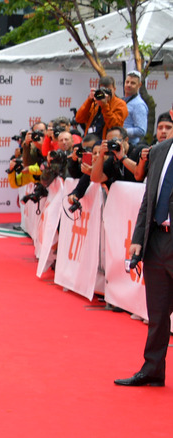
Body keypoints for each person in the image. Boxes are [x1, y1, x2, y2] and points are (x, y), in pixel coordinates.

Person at [116, 134, 173, 387]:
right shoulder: (159, 150)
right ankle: (152, 370)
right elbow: (148, 200)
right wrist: (138, 238)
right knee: (158, 314)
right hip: (157, 241)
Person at [75, 75, 128, 142]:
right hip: (90, 141)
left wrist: (105, 105)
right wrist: (89, 100)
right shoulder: (95, 102)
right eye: (103, 90)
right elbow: (79, 119)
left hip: (106, 143)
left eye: (108, 90)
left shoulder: (120, 104)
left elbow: (115, 126)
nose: (105, 93)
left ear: (114, 89)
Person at [123, 70, 148, 146]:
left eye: (133, 83)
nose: (129, 85)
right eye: (127, 82)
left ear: (139, 85)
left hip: (131, 145)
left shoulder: (139, 105)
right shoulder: (122, 100)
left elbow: (141, 131)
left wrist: (123, 131)